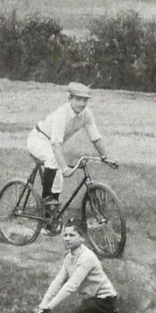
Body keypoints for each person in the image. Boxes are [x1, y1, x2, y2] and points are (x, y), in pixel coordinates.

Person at [26, 82, 114, 222]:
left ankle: (50, 218)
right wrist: (65, 168)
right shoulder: (62, 114)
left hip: (51, 143)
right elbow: (55, 144)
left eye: (85, 100)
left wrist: (105, 157)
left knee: (58, 178)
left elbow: (95, 136)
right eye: (78, 99)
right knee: (53, 161)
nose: (82, 103)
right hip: (38, 139)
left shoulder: (86, 114)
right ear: (70, 99)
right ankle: (46, 202)